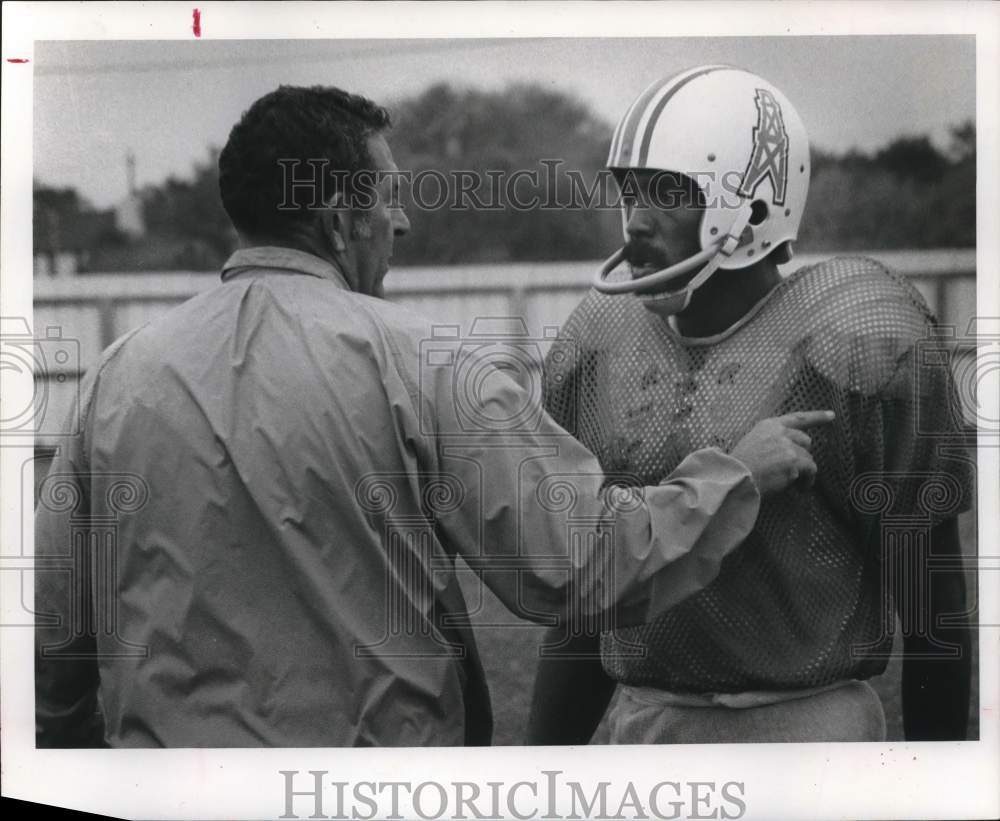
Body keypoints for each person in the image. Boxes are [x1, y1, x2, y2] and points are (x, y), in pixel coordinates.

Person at [33, 85, 830, 748]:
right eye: (389, 195)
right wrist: (733, 477)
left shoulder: (115, 374)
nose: (403, 222)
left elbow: (53, 637)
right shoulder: (422, 362)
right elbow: (573, 564)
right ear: (341, 215)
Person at [527, 65, 974, 745]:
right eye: (630, 191)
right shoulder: (598, 344)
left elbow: (932, 605)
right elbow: (586, 605)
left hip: (807, 733)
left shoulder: (855, 336)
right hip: (648, 725)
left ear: (757, 208)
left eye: (669, 193)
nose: (637, 221)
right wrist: (539, 771)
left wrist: (934, 780)